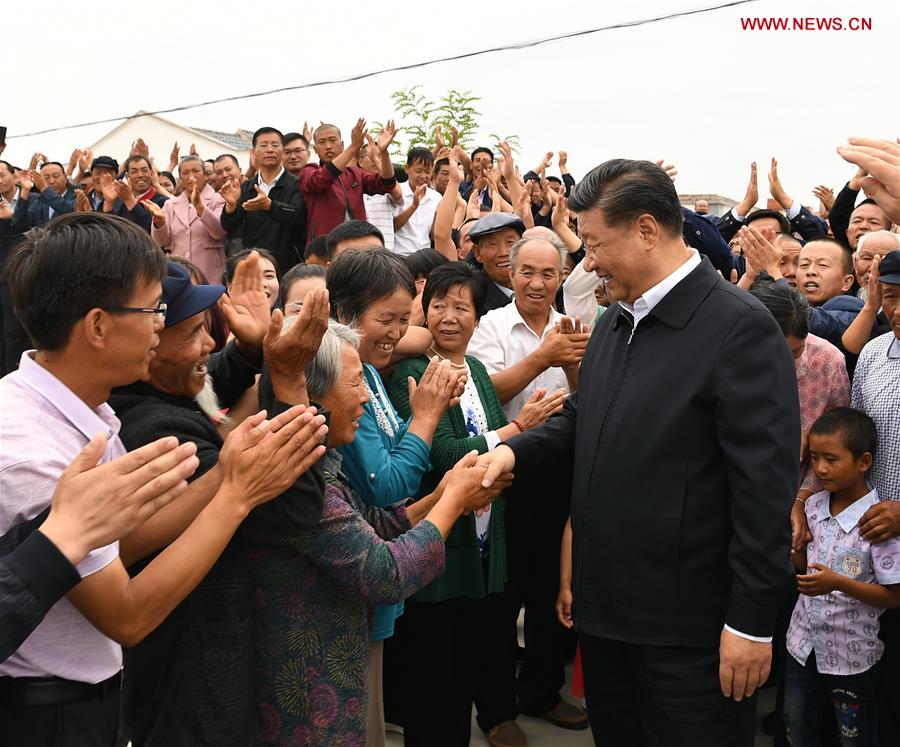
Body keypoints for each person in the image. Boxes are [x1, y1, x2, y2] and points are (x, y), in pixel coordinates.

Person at [476, 159, 800, 746]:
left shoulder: (738, 328)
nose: (589, 261)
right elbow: (585, 414)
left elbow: (763, 492)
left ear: (647, 229)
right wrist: (515, 454)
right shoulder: (612, 322)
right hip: (609, 620)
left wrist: (751, 624)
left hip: (690, 636)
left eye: (595, 243)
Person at [0, 213, 324, 746]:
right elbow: (126, 612)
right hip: (50, 712)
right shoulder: (33, 451)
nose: (160, 323)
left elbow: (113, 545)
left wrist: (225, 474)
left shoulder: (79, 408)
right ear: (98, 326)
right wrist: (236, 495)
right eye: (152, 308)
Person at [250, 318, 511, 746]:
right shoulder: (294, 480)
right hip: (309, 693)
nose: (368, 397)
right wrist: (450, 503)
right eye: (356, 384)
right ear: (313, 395)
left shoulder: (323, 463)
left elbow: (371, 528)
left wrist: (444, 494)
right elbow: (384, 572)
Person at [108, 256, 326, 745]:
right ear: (141, 342)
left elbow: (206, 391)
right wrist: (288, 380)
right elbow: (295, 509)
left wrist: (252, 349)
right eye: (190, 333)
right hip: (195, 675)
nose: (209, 342)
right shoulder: (160, 436)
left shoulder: (161, 395)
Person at [386, 261, 567, 747]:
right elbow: (442, 454)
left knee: (473, 651)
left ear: (477, 316)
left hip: (485, 534)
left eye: (461, 306)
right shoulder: (412, 370)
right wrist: (517, 429)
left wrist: (507, 438)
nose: (449, 316)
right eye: (438, 305)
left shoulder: (480, 370)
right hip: (441, 536)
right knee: (436, 669)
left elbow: (481, 442)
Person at [326, 247, 461, 744]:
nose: (397, 333)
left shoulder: (374, 373)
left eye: (405, 319)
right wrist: (426, 417)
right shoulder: (343, 383)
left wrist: (426, 408)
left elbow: (392, 447)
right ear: (343, 314)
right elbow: (387, 482)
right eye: (386, 319)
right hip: (357, 584)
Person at [467, 236, 590, 740]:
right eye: (527, 272)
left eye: (548, 274)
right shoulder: (491, 326)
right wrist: (545, 357)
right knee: (499, 600)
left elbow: (588, 399)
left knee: (549, 594)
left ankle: (540, 693)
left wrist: (572, 361)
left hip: (560, 476)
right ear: (510, 273)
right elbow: (481, 393)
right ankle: (496, 713)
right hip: (503, 476)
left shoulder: (573, 325)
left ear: (561, 277)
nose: (537, 284)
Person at [0, 435, 198, 663]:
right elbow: (128, 619)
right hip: (47, 690)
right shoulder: (31, 448)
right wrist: (232, 496)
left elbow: (114, 551)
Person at [784, 408, 900, 746]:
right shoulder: (813, 507)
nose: (819, 469)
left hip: (852, 660)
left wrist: (839, 583)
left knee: (855, 737)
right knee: (798, 729)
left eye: (831, 459)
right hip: (801, 647)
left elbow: (894, 596)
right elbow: (803, 565)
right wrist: (796, 555)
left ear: (863, 462)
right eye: (815, 458)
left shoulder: (879, 523)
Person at [847, 249, 900, 742]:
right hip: (873, 538)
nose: (899, 310)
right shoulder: (872, 354)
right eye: (891, 298)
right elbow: (859, 441)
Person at [220, 127, 307, 272]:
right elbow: (228, 226)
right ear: (254, 152)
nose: (270, 150)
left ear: (282, 150)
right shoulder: (246, 187)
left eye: (275, 145)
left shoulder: (297, 184)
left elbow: (299, 216)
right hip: (255, 264)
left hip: (290, 265)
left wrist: (270, 206)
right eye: (264, 145)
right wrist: (231, 205)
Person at [299, 119, 398, 241]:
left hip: (358, 245)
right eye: (322, 142)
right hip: (324, 247)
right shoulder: (309, 171)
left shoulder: (355, 173)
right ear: (315, 149)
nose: (328, 146)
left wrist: (384, 153)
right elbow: (322, 179)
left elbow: (387, 184)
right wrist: (353, 148)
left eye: (333, 140)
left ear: (342, 144)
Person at [145, 154, 227, 283]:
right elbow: (162, 242)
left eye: (195, 171)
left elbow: (218, 232)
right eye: (185, 173)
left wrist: (200, 208)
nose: (191, 177)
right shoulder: (170, 204)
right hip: (178, 272)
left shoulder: (218, 199)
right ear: (180, 178)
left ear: (205, 175)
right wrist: (159, 223)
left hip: (209, 272)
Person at [466, 212, 526, 312]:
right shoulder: (474, 298)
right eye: (492, 244)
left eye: (510, 242)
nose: (503, 252)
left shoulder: (535, 287)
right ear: (477, 253)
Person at [99, 155, 168, 233]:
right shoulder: (120, 201)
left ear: (151, 173)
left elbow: (151, 230)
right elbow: (109, 231)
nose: (140, 175)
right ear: (127, 176)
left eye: (144, 170)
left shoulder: (165, 202)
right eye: (134, 171)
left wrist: (130, 201)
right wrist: (109, 202)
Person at [392, 147, 440, 256]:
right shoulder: (396, 192)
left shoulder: (436, 197)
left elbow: (433, 236)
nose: (423, 176)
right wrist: (413, 206)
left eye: (428, 172)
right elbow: (391, 227)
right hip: (398, 256)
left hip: (423, 259)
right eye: (418, 171)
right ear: (407, 168)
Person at [11, 160, 76, 229]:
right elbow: (19, 223)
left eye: (56, 176)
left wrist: (45, 189)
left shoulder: (77, 194)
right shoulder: (39, 201)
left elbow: (70, 210)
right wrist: (25, 190)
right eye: (46, 177)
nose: (52, 181)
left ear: (65, 178)